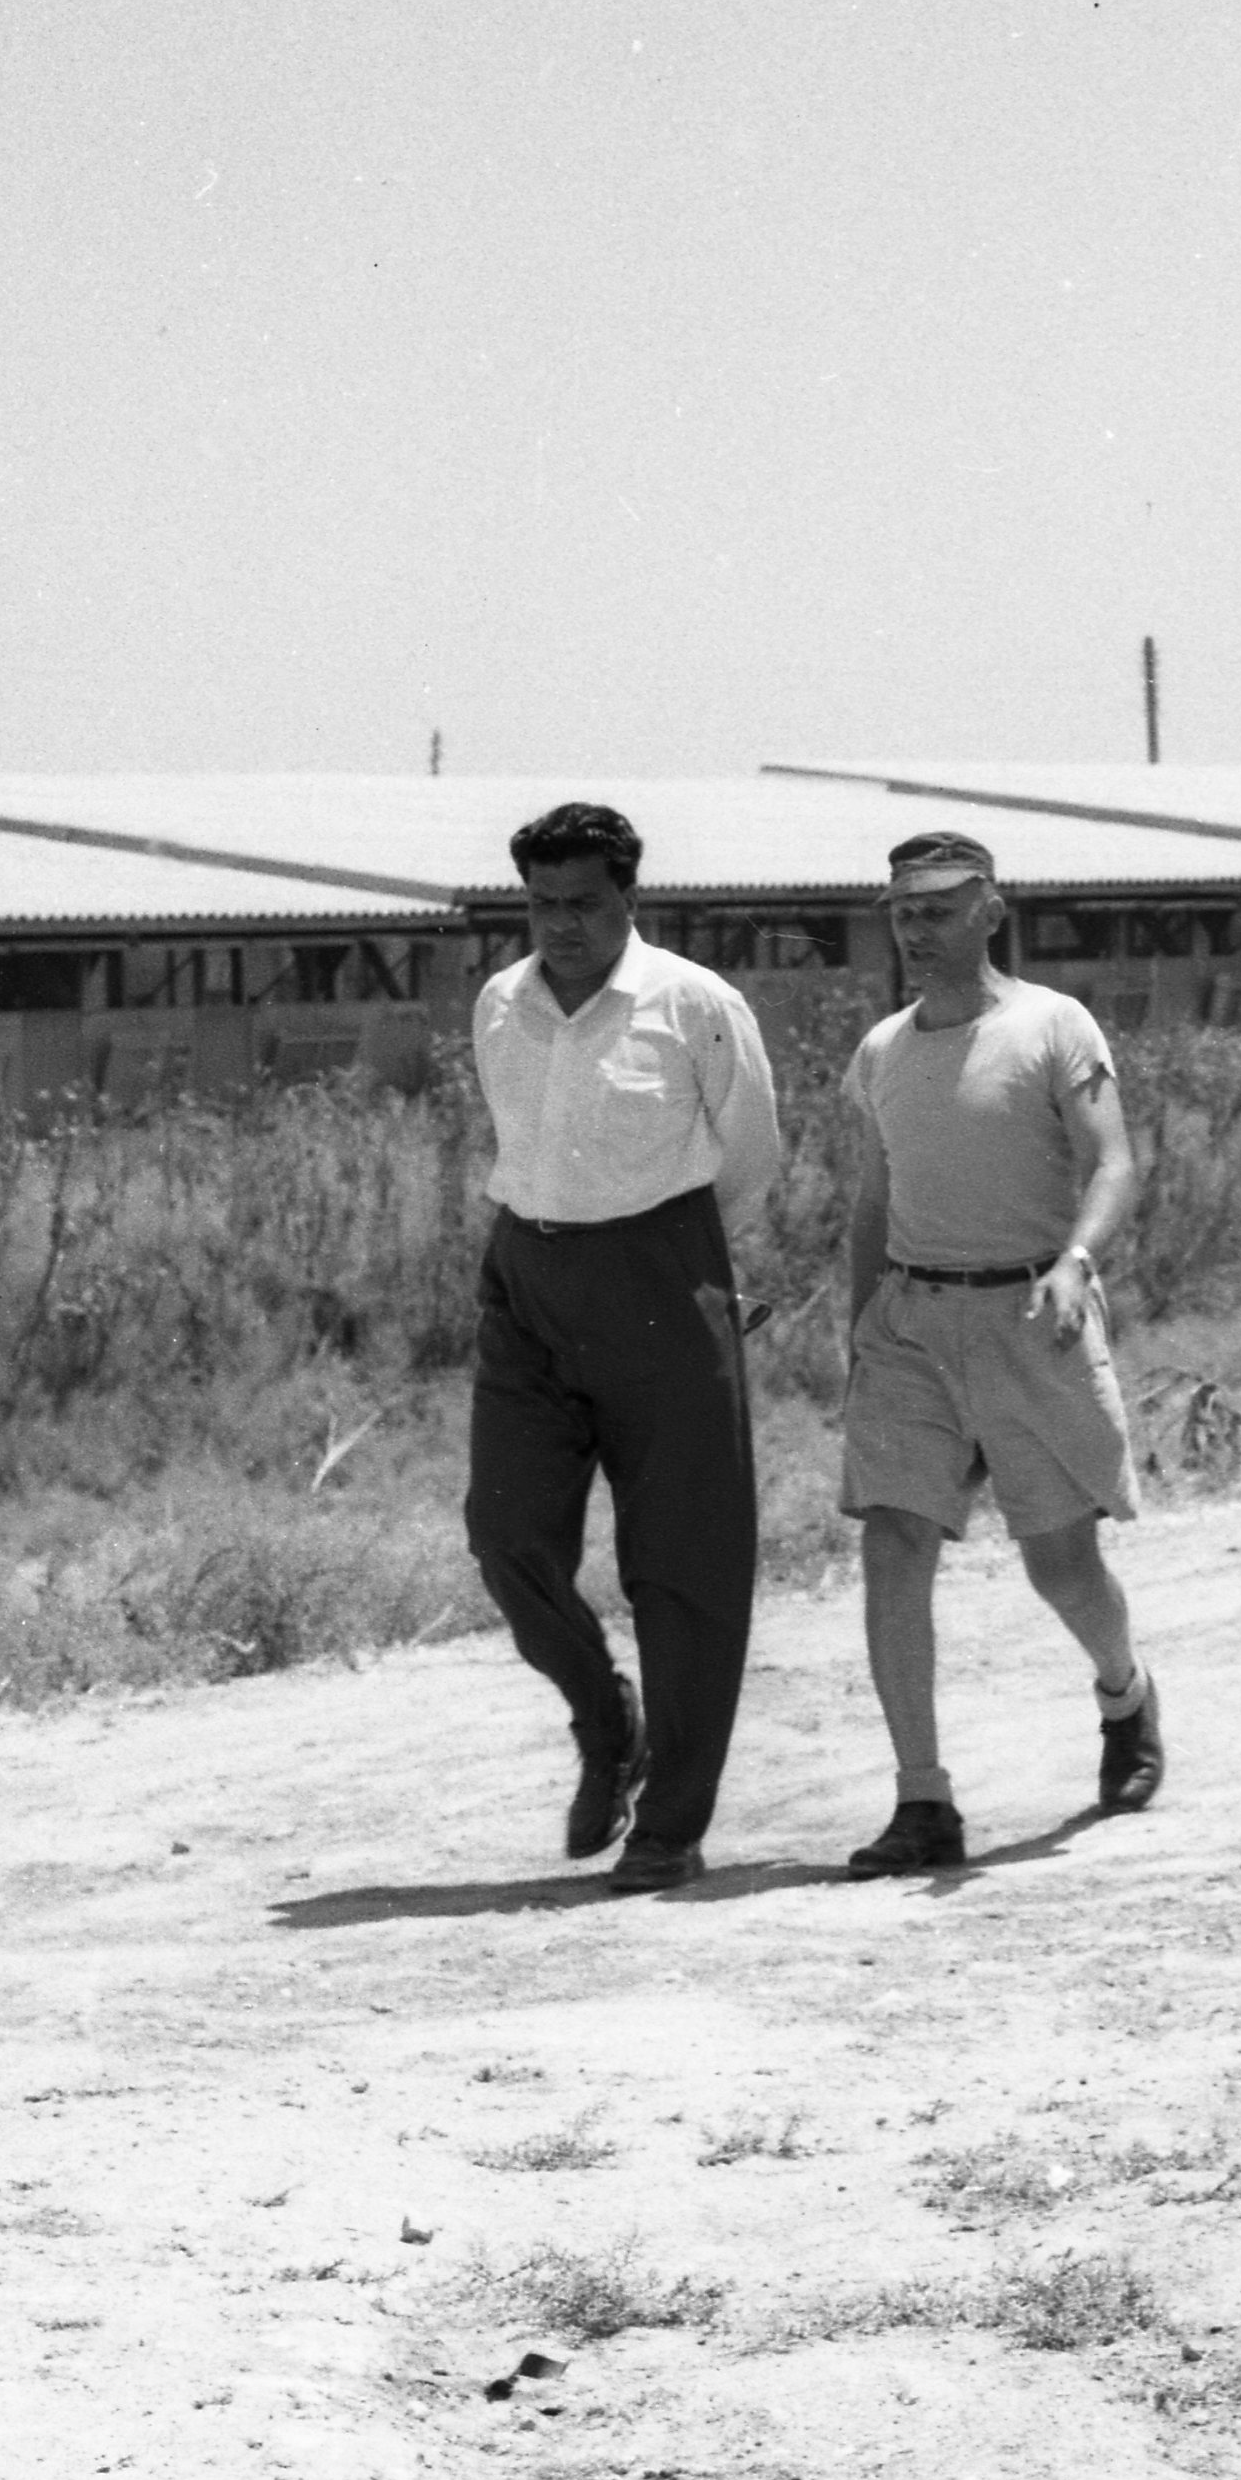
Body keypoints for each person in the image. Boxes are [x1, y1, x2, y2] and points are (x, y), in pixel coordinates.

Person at [463, 801, 784, 1892]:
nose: (561, 925)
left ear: (627, 896)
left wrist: (680, 1266)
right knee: (506, 1532)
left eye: (584, 904)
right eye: (542, 903)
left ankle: (671, 1826)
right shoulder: (499, 1006)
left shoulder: (693, 1003)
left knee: (686, 1565)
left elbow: (748, 1155)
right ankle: (607, 1720)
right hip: (528, 1280)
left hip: (660, 1276)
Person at [832, 831, 1165, 1874]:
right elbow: (871, 1206)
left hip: (1033, 1314)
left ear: (990, 909)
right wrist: (858, 1329)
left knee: (1060, 1561)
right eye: (900, 912)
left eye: (935, 909)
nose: (914, 931)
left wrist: (1076, 1260)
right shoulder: (883, 1051)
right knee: (892, 1545)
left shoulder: (1051, 1024)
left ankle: (1124, 1691)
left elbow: (1112, 1160)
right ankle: (922, 1800)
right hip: (912, 1327)